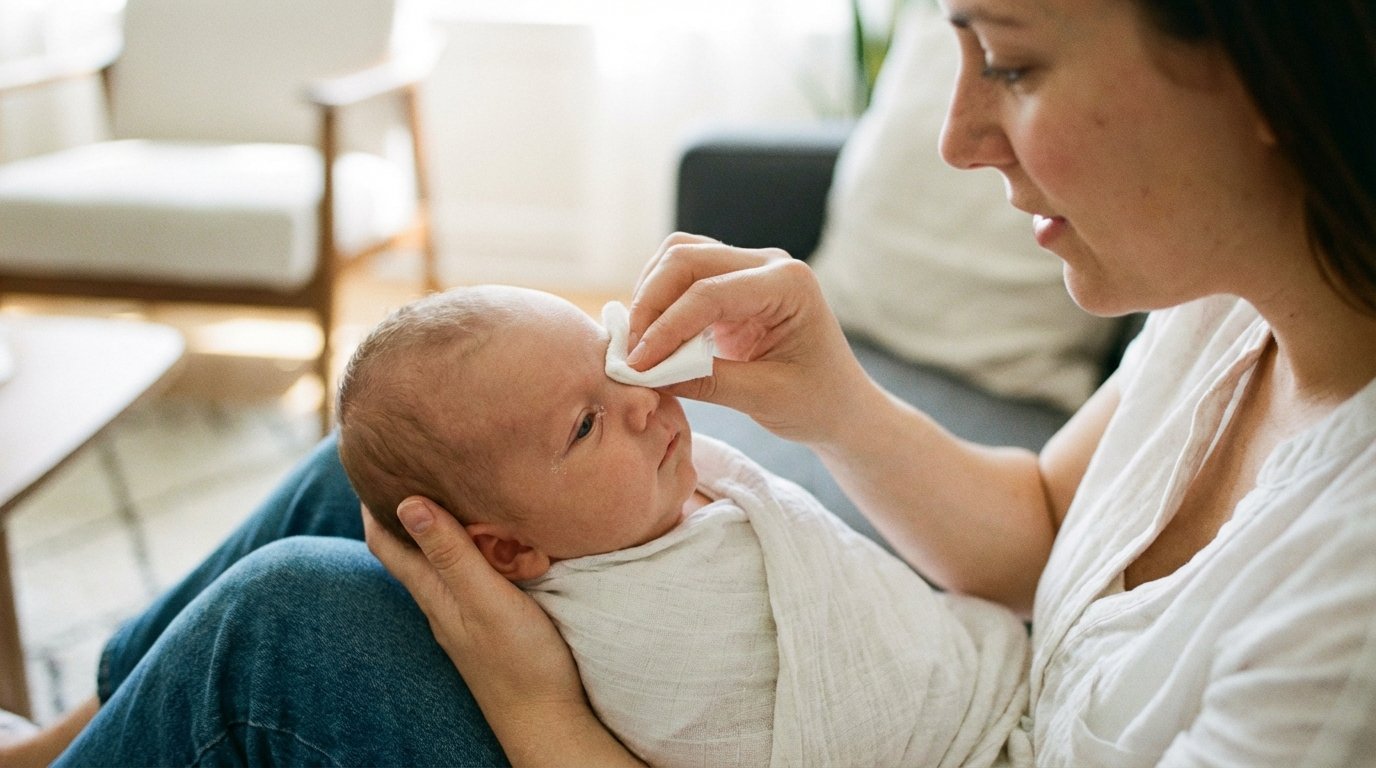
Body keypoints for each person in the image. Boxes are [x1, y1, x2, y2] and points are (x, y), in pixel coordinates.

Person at [3, 0, 1372, 764]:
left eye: (1010, 63)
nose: (958, 136)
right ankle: (75, 738)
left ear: (1257, 61)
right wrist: (831, 396)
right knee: (385, 456)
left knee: (294, 621)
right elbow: (1041, 536)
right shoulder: (1229, 313)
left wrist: (542, 712)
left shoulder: (1351, 593)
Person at [337, 284, 1032, 767]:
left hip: (985, 686)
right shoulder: (633, 637)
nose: (642, 401)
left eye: (614, 363)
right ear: (512, 549)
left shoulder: (650, 497)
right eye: (585, 425)